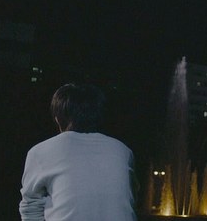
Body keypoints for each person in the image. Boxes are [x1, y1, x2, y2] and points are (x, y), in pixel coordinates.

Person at [19, 83, 137, 221]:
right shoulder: (122, 150)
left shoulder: (40, 152)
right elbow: (131, 197)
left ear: (58, 119)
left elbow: (31, 207)